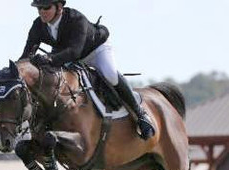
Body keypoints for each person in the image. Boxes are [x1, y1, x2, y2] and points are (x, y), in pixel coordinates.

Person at [19, 0, 155, 140]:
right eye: (39, 8)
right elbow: (26, 54)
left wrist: (49, 59)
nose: (41, 11)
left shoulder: (76, 19)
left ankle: (141, 115)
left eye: (46, 7)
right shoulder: (38, 25)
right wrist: (16, 71)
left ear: (59, 7)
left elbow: (74, 52)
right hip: (67, 55)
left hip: (96, 50)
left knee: (110, 75)